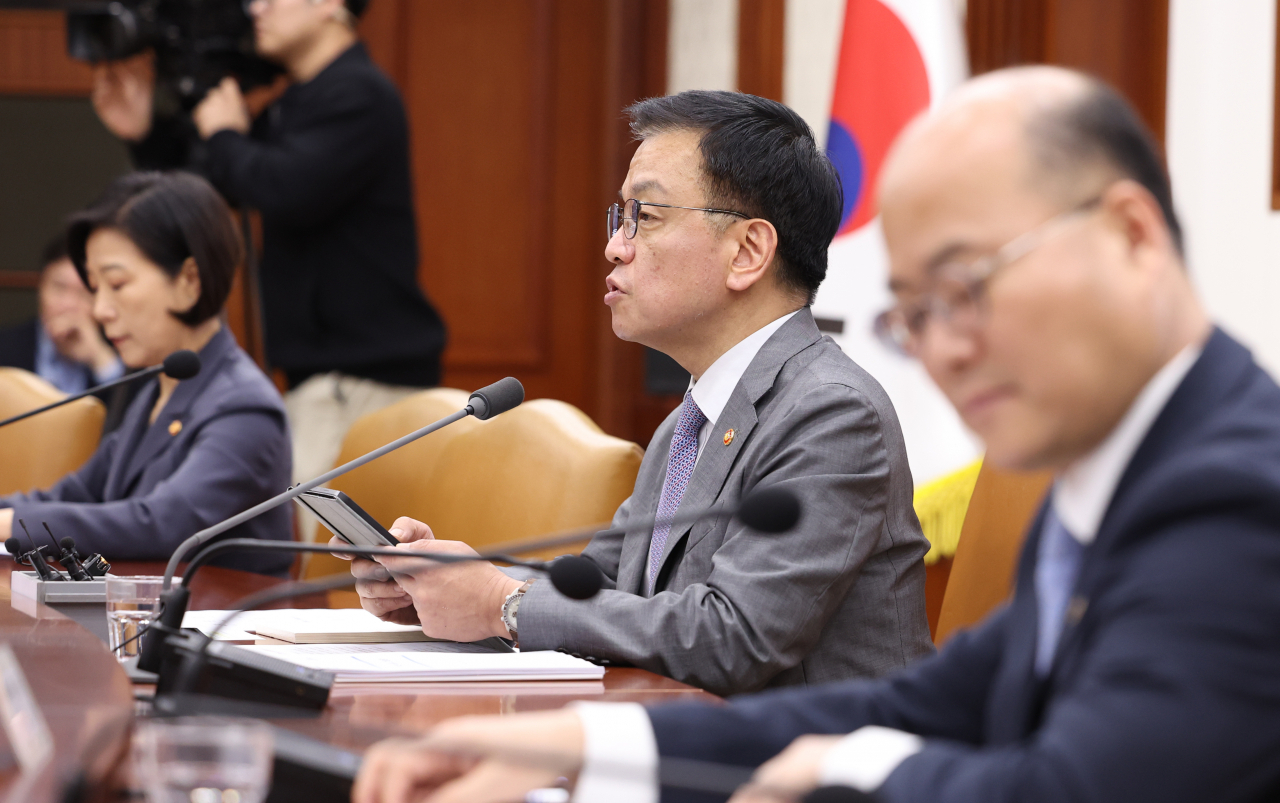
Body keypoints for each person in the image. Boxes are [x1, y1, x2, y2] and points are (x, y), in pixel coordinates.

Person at [349, 67, 1280, 803]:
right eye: (912, 311)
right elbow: (926, 703)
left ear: (1129, 234)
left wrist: (841, 772)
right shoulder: (1124, 467)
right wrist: (588, 737)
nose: (945, 349)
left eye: (966, 284)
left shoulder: (1231, 491)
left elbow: (1083, 788)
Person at [341, 90, 934, 697]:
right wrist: (447, 585)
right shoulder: (693, 419)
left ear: (748, 251)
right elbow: (595, 584)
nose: (615, 246)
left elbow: (734, 636)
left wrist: (501, 604)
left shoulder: (831, 413)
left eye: (644, 216)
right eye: (618, 218)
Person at [91, 0, 448, 491]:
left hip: (363, 381)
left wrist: (224, 133)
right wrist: (147, 133)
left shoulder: (360, 93)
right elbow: (214, 185)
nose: (255, 8)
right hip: (324, 378)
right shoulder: (298, 100)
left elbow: (287, 188)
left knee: (314, 546)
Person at [0, 172, 293, 576]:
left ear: (188, 281)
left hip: (225, 629)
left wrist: (10, 524)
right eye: (95, 287)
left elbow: (163, 522)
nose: (100, 310)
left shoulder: (244, 407)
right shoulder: (155, 395)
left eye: (116, 284)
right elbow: (76, 495)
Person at [0, 236, 132, 431]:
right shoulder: (6, 346)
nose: (69, 305)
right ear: (40, 288)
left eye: (84, 292)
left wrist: (99, 358)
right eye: (60, 288)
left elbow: (129, 422)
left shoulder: (121, 348)